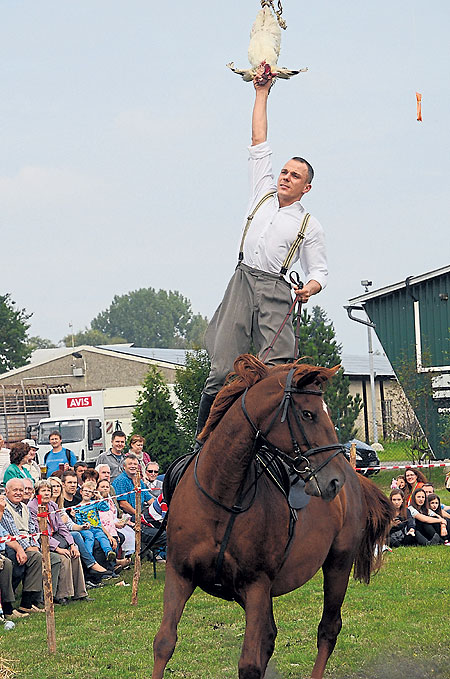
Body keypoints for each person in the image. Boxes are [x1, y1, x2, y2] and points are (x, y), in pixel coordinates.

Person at [195, 72, 328, 438]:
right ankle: (203, 436)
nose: (285, 177)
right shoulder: (263, 192)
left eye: (294, 175)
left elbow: (319, 271)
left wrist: (309, 289)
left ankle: (278, 438)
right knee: (223, 367)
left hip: (276, 290)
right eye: (284, 171)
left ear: (307, 186)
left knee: (277, 369)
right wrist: (261, 92)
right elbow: (259, 141)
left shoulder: (309, 225)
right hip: (242, 279)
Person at [0, 478, 61, 613]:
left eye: (21, 490)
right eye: (15, 490)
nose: (18, 493)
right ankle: (15, 606)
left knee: (46, 557)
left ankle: (31, 602)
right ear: (7, 491)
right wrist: (27, 547)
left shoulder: (24, 507)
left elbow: (33, 529)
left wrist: (33, 544)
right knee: (31, 558)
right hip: (11, 544)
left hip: (27, 544)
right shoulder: (5, 507)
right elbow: (11, 532)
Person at [28, 480, 90, 604]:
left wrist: (72, 544)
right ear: (37, 493)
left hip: (55, 537)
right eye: (43, 491)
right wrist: (57, 548)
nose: (46, 493)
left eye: (48, 491)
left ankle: (80, 593)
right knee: (64, 557)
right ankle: (62, 595)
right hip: (42, 542)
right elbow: (40, 533)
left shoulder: (53, 505)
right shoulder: (32, 507)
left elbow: (62, 526)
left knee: (74, 555)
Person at [49, 476, 108, 578]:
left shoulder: (59, 505)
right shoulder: (45, 504)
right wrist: (62, 523)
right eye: (53, 486)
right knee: (80, 537)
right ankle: (91, 565)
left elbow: (69, 524)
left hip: (64, 534)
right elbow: (57, 526)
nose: (56, 489)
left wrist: (82, 527)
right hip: (52, 537)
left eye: (58, 486)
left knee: (93, 539)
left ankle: (98, 568)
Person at [113, 455, 167, 555]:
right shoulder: (121, 481)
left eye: (135, 464)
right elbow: (123, 504)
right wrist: (138, 515)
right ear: (124, 467)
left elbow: (149, 499)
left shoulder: (139, 481)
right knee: (163, 535)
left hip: (142, 515)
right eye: (130, 464)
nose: (133, 466)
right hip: (128, 518)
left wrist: (159, 507)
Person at [72, 481, 117, 564]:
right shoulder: (77, 507)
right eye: (86, 491)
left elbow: (106, 508)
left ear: (93, 494)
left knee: (102, 537)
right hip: (85, 529)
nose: (87, 493)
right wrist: (74, 517)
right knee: (89, 537)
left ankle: (109, 552)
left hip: (97, 527)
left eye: (90, 492)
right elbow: (77, 522)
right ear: (81, 492)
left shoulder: (94, 503)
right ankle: (88, 556)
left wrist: (100, 497)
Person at [0, 495, 29, 619]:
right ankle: (7, 609)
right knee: (7, 564)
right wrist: (1, 510)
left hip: (5, 551)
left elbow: (7, 537)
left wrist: (19, 549)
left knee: (24, 559)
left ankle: (28, 602)